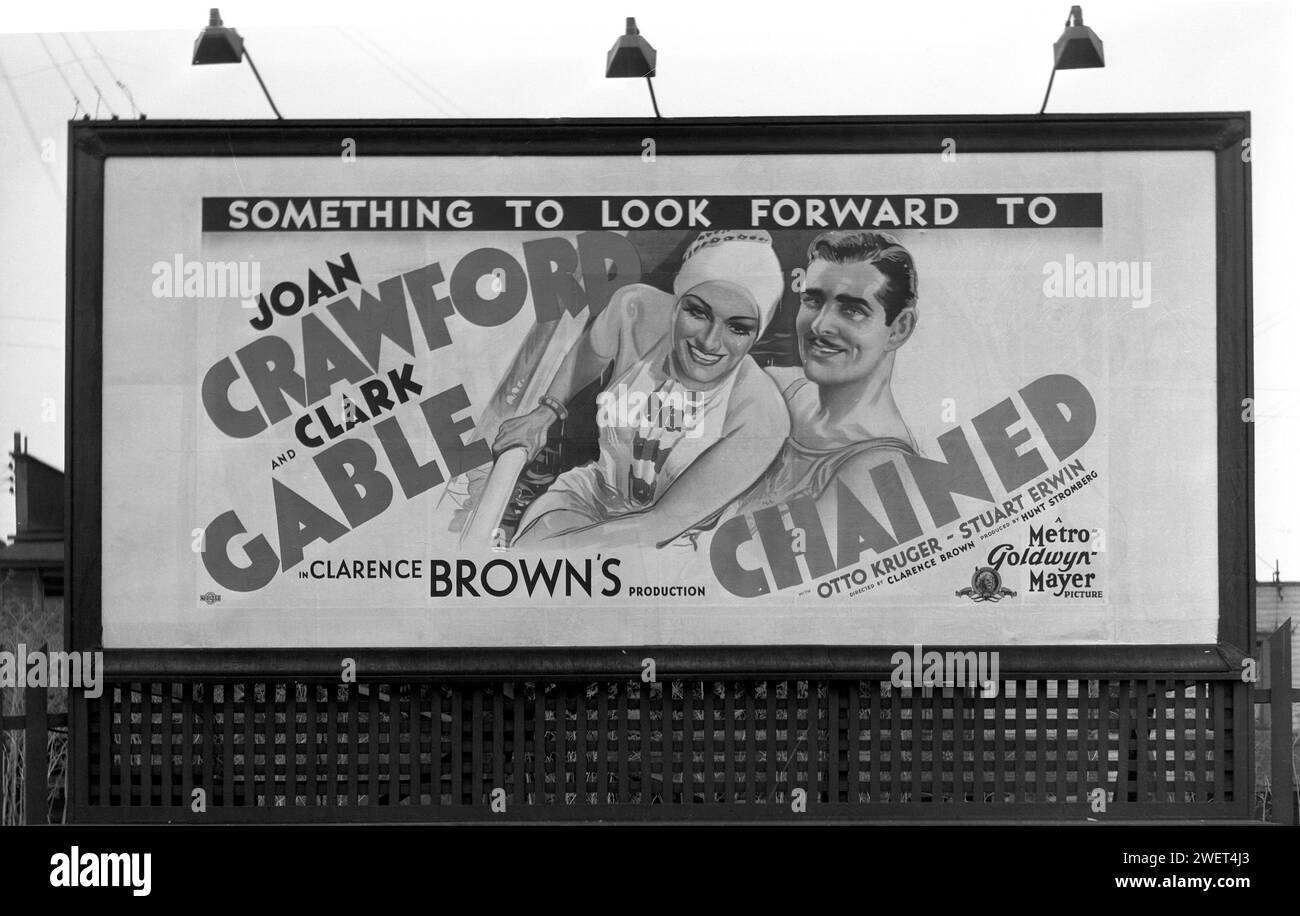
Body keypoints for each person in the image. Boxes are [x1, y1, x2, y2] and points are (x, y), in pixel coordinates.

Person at [492, 229, 791, 550]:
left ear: (756, 335)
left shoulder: (763, 415)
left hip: (676, 545)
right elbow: (587, 356)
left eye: (737, 328)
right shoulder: (634, 309)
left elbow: (660, 525)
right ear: (677, 302)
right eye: (698, 312)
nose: (709, 342)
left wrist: (534, 555)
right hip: (592, 494)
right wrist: (545, 412)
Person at [734, 229, 920, 515]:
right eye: (814, 301)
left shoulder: (880, 468)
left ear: (899, 328)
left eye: (852, 310)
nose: (820, 326)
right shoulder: (783, 387)